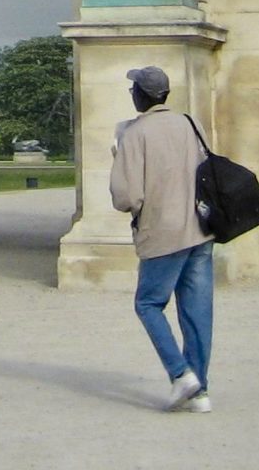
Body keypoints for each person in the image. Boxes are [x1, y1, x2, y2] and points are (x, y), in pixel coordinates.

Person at [107, 65, 212, 413]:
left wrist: (118, 160)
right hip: (199, 227)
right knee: (196, 310)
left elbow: (125, 197)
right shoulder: (190, 124)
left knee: (148, 304)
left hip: (163, 231)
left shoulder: (134, 134)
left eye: (133, 89)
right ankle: (200, 392)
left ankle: (181, 374)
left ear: (142, 94)